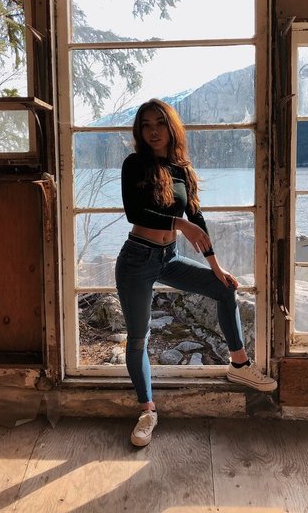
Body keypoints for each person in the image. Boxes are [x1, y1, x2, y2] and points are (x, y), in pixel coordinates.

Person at [115, 98, 277, 448]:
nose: (153, 130)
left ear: (171, 127)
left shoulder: (181, 169)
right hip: (137, 260)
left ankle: (239, 365)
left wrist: (216, 266)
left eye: (159, 123)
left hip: (168, 257)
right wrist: (179, 224)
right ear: (140, 131)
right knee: (139, 338)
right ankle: (147, 411)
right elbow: (134, 213)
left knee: (224, 289)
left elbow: (197, 219)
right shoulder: (135, 164)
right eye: (146, 125)